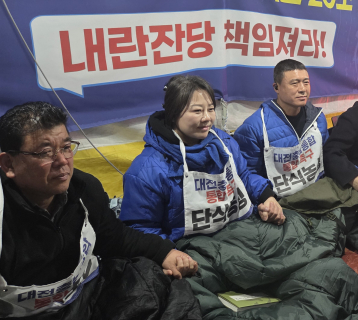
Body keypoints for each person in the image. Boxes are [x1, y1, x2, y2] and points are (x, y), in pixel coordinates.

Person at [0, 102, 199, 319]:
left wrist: (164, 252)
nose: (62, 161)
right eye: (46, 152)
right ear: (9, 164)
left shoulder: (84, 188)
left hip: (86, 298)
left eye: (66, 147)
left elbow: (114, 237)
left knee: (159, 282)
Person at [120, 75, 285, 242]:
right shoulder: (146, 170)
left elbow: (243, 177)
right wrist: (167, 253)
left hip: (238, 228)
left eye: (211, 109)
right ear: (173, 114)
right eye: (197, 111)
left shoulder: (224, 142)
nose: (207, 118)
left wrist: (266, 197)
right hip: (190, 246)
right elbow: (140, 228)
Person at [234, 59, 329, 197]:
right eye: (294, 83)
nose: (302, 89)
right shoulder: (254, 127)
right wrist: (266, 197)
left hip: (318, 192)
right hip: (281, 201)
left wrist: (352, 172)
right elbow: (246, 173)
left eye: (306, 82)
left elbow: (328, 155)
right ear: (276, 87)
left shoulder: (318, 118)